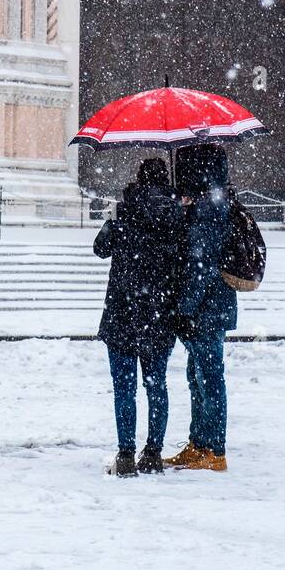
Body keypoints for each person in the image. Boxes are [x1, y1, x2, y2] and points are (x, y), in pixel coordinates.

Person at [93, 158, 184, 476]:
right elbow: (185, 259)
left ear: (138, 179)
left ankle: (126, 454)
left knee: (124, 388)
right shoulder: (178, 215)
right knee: (157, 385)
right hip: (159, 312)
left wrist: (113, 220)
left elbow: (100, 248)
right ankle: (154, 453)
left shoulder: (122, 209)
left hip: (122, 309)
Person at [165, 143, 236, 472]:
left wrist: (184, 308)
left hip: (205, 310)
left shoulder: (209, 210)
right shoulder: (212, 204)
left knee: (208, 379)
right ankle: (200, 443)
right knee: (199, 378)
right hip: (210, 307)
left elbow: (200, 266)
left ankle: (214, 449)